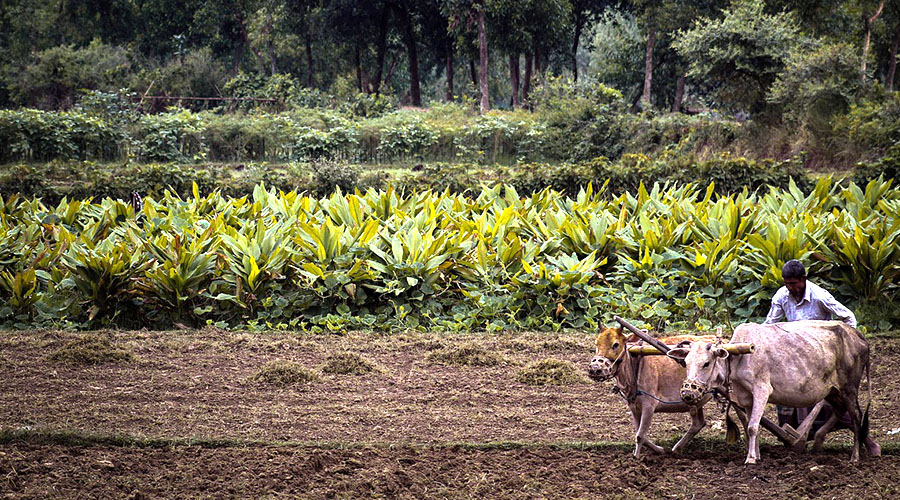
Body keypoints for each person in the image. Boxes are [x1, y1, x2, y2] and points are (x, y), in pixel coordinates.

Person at [764, 259, 880, 455]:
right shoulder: (782, 296)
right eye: (786, 283)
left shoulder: (819, 296)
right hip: (796, 355)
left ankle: (868, 442)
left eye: (793, 283)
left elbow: (848, 317)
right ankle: (801, 438)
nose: (790, 288)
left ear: (803, 279)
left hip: (823, 356)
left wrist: (844, 348)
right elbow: (769, 325)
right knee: (788, 395)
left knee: (837, 401)